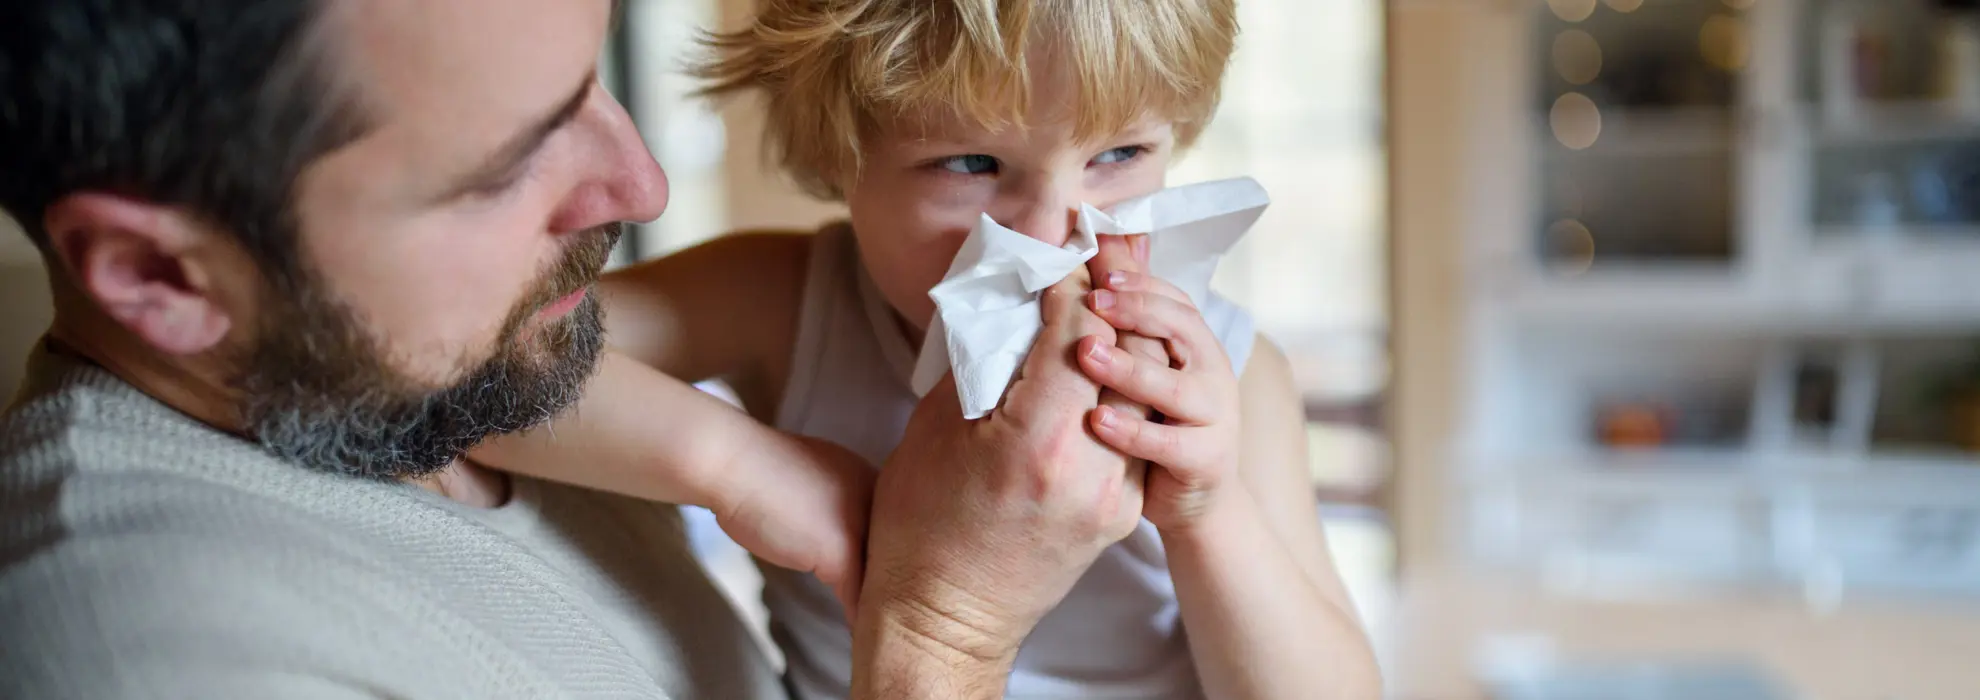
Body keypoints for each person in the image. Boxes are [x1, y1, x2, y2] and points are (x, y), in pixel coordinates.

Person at [0, 1, 1158, 698]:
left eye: (589, 82)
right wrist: (941, 633)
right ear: (160, 276)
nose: (638, 184)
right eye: (504, 165)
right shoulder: (151, 655)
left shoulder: (459, 368)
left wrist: (744, 468)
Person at [472, 0, 1384, 698]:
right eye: (972, 164)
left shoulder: (1226, 373)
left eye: (1121, 154)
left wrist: (1209, 512)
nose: (1055, 231)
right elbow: (473, 368)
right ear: (839, 158)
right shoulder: (789, 301)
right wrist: (755, 471)